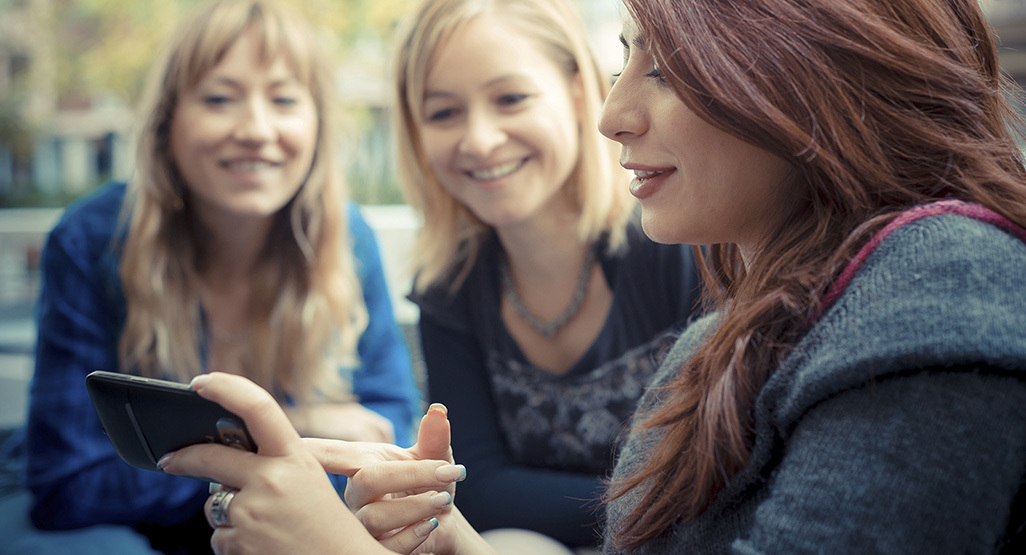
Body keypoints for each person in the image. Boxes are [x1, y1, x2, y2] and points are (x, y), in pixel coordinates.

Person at [160, 0, 1026, 553]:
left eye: (667, 67)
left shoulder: (937, 299)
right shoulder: (741, 323)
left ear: (805, 68)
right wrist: (458, 543)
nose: (616, 115)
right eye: (626, 59)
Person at [5, 0, 420, 552]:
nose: (255, 128)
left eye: (284, 99)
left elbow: (391, 434)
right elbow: (66, 487)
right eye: (220, 98)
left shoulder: (347, 240)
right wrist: (287, 431)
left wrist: (205, 459)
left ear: (318, 125)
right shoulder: (92, 240)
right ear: (167, 125)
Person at [391, 0, 703, 548]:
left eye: (511, 99)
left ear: (581, 95)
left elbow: (707, 477)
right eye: (443, 113)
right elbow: (475, 487)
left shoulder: (671, 244)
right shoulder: (449, 288)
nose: (480, 140)